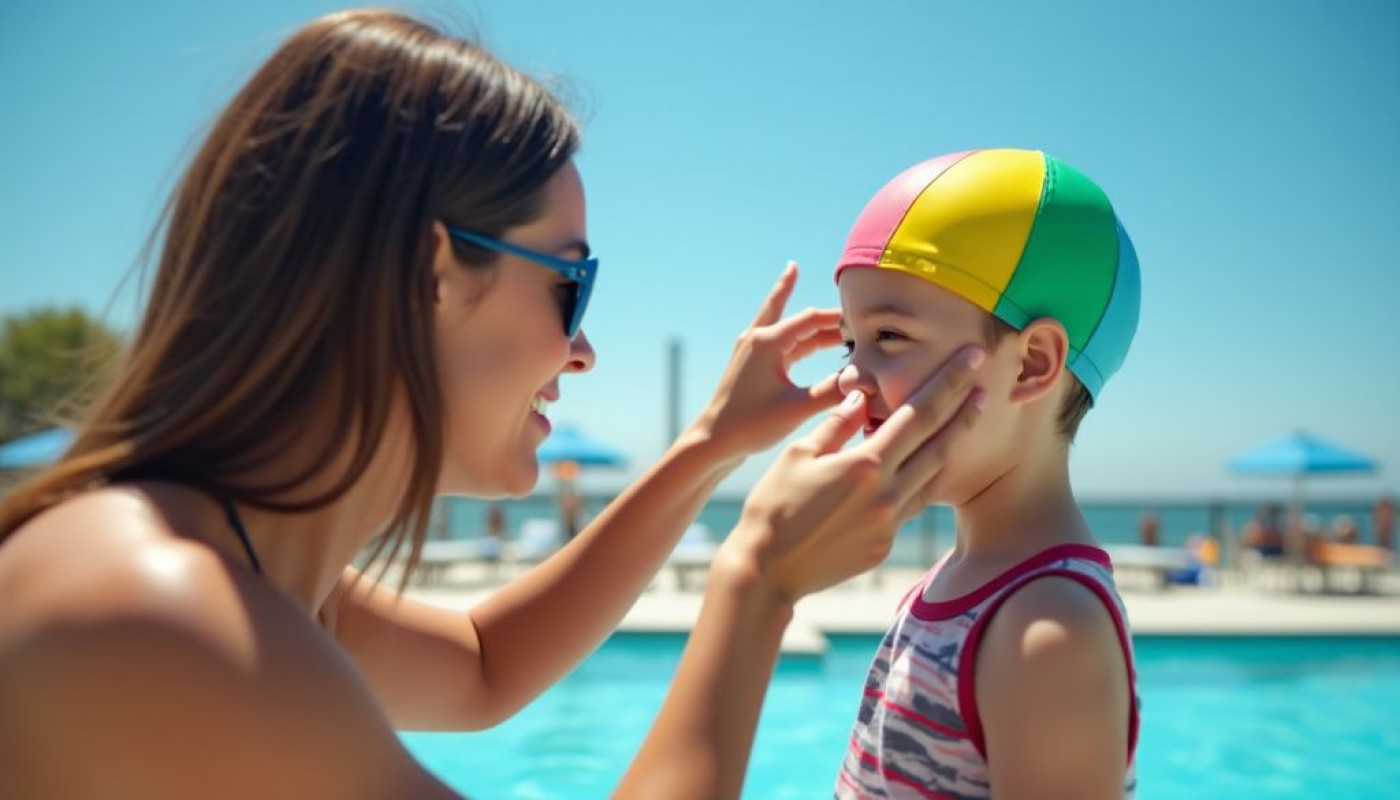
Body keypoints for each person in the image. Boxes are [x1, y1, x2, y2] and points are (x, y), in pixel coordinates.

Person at [0, 11, 985, 799]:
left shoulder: (240, 572)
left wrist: (705, 448)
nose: (583, 345)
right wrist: (758, 578)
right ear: (428, 269)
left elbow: (481, 667)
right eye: (569, 282)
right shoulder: (160, 616)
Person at [830, 149, 1141, 799]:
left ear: (1031, 364)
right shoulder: (957, 581)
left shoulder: (1049, 630)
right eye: (848, 341)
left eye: (889, 336)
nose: (847, 378)